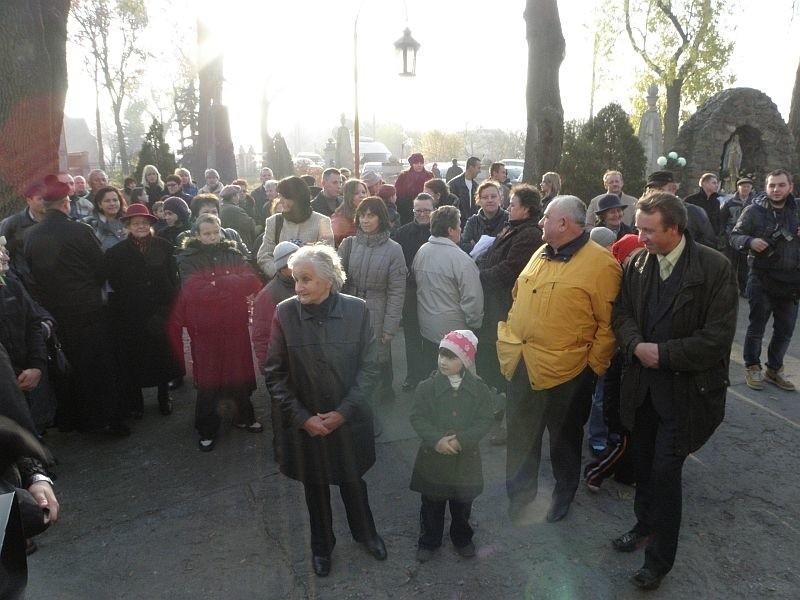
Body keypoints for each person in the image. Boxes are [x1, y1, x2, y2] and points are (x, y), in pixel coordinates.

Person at [611, 192, 736, 590]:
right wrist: (634, 345)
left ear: (675, 229)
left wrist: (662, 354)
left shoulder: (715, 268)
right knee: (644, 466)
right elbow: (622, 313)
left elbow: (717, 339)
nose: (639, 236)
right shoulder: (637, 262)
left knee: (666, 475)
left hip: (688, 394)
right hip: (642, 390)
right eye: (637, 228)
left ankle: (658, 561)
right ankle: (643, 526)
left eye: (648, 230)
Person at [263, 244, 387, 577]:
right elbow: (274, 373)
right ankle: (322, 546)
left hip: (348, 421)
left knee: (352, 481)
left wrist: (344, 412)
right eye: (296, 279)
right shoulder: (284, 314)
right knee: (314, 486)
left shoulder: (357, 311)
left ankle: (366, 533)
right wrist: (303, 418)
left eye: (306, 279)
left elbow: (371, 367)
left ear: (329, 280)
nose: (298, 286)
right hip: (306, 425)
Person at [498, 196, 620, 524]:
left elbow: (609, 326)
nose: (540, 222)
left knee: (564, 440)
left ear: (564, 223)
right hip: (522, 363)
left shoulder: (601, 264)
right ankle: (520, 496)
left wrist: (592, 368)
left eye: (546, 217)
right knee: (522, 435)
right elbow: (518, 296)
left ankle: (563, 493)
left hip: (568, 372)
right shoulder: (540, 252)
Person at [24, 176, 128, 435]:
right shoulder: (80, 231)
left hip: (55, 313)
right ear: (66, 204)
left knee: (67, 367)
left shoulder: (31, 236)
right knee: (98, 367)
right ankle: (106, 421)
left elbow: (31, 277)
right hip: (89, 310)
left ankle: (75, 419)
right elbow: (102, 268)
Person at [172, 214, 263, 452]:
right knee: (210, 376)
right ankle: (207, 428)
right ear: (198, 235)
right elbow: (193, 290)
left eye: (215, 232)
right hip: (206, 327)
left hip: (235, 324)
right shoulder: (188, 258)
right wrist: (231, 285)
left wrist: (218, 283)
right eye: (206, 233)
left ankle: (243, 415)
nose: (212, 237)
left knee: (239, 370)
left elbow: (251, 281)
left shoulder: (232, 253)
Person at [409, 330, 494, 563]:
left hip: (464, 459)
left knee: (462, 503)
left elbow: (485, 419)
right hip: (433, 459)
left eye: (451, 357)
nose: (443, 361)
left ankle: (462, 537)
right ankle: (429, 540)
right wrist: (436, 439)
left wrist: (462, 440)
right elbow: (418, 418)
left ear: (465, 361)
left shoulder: (479, 389)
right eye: (441, 354)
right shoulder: (426, 388)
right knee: (432, 503)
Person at [475, 184, 543, 445]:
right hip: (495, 305)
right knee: (490, 359)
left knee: (507, 365)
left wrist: (477, 276)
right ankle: (499, 406)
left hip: (507, 307)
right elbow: (492, 256)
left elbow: (509, 269)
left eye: (513, 204)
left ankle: (509, 424)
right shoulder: (512, 227)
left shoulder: (529, 235)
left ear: (526, 209)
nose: (508, 208)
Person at [105, 203, 184, 418]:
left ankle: (163, 395)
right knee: (134, 359)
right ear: (128, 226)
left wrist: (170, 307)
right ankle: (136, 403)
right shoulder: (116, 253)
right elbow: (114, 283)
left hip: (161, 312)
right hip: (132, 314)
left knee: (162, 357)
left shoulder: (164, 247)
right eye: (135, 223)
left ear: (150, 224)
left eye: (144, 222)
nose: (140, 226)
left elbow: (173, 279)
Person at [730, 169, 800, 392]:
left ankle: (774, 369)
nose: (776, 190)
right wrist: (750, 241)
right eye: (772, 185)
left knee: (785, 329)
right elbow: (733, 235)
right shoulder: (754, 210)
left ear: (790, 187)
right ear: (766, 187)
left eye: (781, 185)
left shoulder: (798, 210)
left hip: (792, 281)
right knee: (757, 327)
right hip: (762, 278)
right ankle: (753, 366)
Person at [338, 197, 407, 404]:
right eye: (362, 215)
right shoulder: (348, 244)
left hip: (378, 307)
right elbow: (335, 278)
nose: (365, 220)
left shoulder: (394, 249)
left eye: (371, 215)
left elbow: (397, 291)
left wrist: (390, 327)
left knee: (379, 356)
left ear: (381, 218)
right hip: (349, 306)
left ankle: (385, 393)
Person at [413, 205, 483, 372]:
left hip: (427, 327)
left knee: (434, 374)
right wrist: (474, 325)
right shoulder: (462, 260)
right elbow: (473, 299)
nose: (461, 229)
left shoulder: (422, 251)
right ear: (451, 230)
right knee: (457, 378)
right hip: (455, 332)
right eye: (459, 225)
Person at [252, 241, 299, 461]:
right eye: (293, 262)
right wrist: (267, 366)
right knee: (282, 411)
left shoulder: (304, 283)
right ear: (282, 267)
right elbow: (261, 336)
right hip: (281, 364)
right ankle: (282, 451)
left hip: (302, 361)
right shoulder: (268, 295)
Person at [393, 194, 435, 391]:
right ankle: (413, 374)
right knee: (411, 334)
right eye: (418, 210)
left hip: (434, 292)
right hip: (410, 291)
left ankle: (431, 374)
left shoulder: (439, 232)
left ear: (433, 210)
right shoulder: (402, 233)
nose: (422, 214)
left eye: (426, 210)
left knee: (431, 335)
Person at [257, 176, 335, 279]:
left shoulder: (323, 222)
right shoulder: (274, 222)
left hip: (312, 283)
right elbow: (264, 255)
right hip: (282, 284)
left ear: (298, 198)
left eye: (285, 197)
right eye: (280, 196)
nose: (281, 201)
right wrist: (280, 273)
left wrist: (303, 276)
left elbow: (327, 257)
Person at [645, 171, 717, 248]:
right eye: (651, 190)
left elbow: (709, 242)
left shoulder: (693, 212)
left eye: (659, 189)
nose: (654, 194)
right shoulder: (644, 213)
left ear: (673, 190)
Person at [719, 176, 754, 295]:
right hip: (731, 237)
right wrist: (724, 234)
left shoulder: (755, 203)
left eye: (748, 187)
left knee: (745, 266)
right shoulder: (729, 202)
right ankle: (729, 288)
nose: (745, 189)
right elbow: (722, 219)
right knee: (730, 264)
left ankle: (744, 289)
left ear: (751, 188)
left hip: (747, 238)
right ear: (738, 188)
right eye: (743, 186)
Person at [460, 180, 509, 252]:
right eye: (485, 197)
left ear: (500, 199)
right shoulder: (472, 222)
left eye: (493, 196)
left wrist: (477, 247)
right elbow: (464, 246)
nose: (490, 200)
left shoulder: (509, 219)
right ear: (479, 200)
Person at [83, 185, 127, 252]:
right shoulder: (90, 223)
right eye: (107, 201)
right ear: (99, 204)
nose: (112, 203)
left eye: (115, 200)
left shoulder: (128, 222)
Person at [395, 153, 434, 225]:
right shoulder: (404, 176)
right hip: (406, 211)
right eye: (416, 163)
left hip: (425, 210)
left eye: (421, 163)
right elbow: (397, 193)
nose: (419, 165)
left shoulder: (429, 176)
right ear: (412, 164)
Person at [331, 179, 368, 247]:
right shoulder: (339, 217)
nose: (362, 195)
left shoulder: (370, 214)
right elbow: (335, 243)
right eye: (356, 193)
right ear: (348, 196)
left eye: (364, 192)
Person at [219, 184, 257, 249]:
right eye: (237, 195)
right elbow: (250, 225)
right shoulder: (235, 210)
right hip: (239, 243)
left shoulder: (220, 208)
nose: (238, 197)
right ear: (233, 197)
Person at [447, 157, 481, 226]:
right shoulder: (453, 184)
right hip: (457, 225)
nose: (479, 171)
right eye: (478, 168)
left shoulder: (476, 186)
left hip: (472, 225)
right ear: (471, 167)